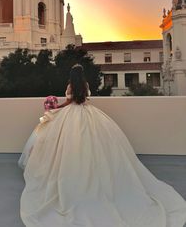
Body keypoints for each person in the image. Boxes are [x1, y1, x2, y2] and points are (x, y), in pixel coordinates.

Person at [20, 64, 186, 227]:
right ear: (82, 75)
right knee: (97, 145)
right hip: (88, 113)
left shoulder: (70, 86)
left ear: (72, 76)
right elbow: (84, 100)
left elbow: (69, 103)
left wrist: (57, 108)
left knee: (71, 147)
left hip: (71, 114)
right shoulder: (84, 86)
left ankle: (74, 175)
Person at [18, 96, 59, 169]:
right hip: (50, 129)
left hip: (44, 128)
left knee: (38, 145)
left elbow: (45, 119)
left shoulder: (48, 115)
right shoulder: (55, 114)